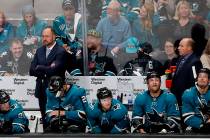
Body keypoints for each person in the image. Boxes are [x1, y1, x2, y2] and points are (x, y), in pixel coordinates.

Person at [29, 26, 68, 130]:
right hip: (41, 87)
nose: (44, 38)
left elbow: (54, 70)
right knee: (43, 114)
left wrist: (40, 67)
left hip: (55, 90)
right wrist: (45, 71)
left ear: (54, 36)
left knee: (55, 117)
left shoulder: (60, 51)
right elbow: (31, 70)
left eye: (47, 36)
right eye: (43, 36)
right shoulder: (39, 50)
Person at [171, 38, 203, 106]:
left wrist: (189, 97)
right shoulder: (181, 59)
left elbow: (195, 82)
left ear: (189, 48)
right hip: (177, 98)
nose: (178, 48)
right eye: (179, 46)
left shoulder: (195, 62)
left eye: (181, 46)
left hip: (187, 100)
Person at [182, 68, 210, 133]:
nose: (202, 79)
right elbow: (187, 117)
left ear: (209, 80)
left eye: (205, 77)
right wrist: (202, 124)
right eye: (200, 76)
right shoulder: (188, 94)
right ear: (197, 79)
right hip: (196, 127)